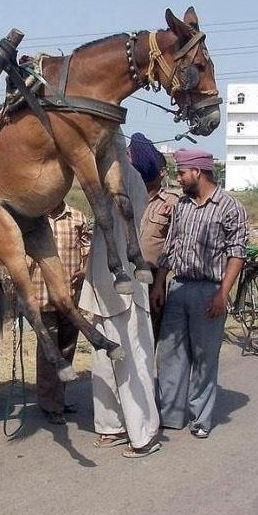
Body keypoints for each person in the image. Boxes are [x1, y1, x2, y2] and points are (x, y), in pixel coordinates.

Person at [151, 149, 248, 439]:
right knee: (169, 355)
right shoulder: (181, 206)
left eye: (182, 173)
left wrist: (223, 293)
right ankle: (170, 414)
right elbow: (171, 247)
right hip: (179, 287)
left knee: (204, 357)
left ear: (198, 172)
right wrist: (159, 284)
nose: (179, 178)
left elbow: (237, 254)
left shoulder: (230, 207)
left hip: (210, 290)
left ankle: (201, 418)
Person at [79, 145, 161, 458]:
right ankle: (111, 426)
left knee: (132, 362)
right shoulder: (108, 180)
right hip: (105, 285)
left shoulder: (129, 179)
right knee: (106, 362)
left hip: (124, 284)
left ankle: (142, 435)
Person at [28, 201, 90, 425]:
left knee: (67, 349)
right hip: (41, 296)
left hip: (70, 298)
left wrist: (85, 269)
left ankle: (59, 399)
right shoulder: (32, 217)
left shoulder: (77, 217)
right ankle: (50, 405)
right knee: (49, 354)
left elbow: (87, 249)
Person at [128, 133, 179, 342]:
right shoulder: (128, 198)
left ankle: (148, 375)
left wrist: (159, 284)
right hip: (127, 275)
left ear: (162, 172)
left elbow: (171, 247)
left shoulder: (172, 202)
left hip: (153, 278)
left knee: (149, 337)